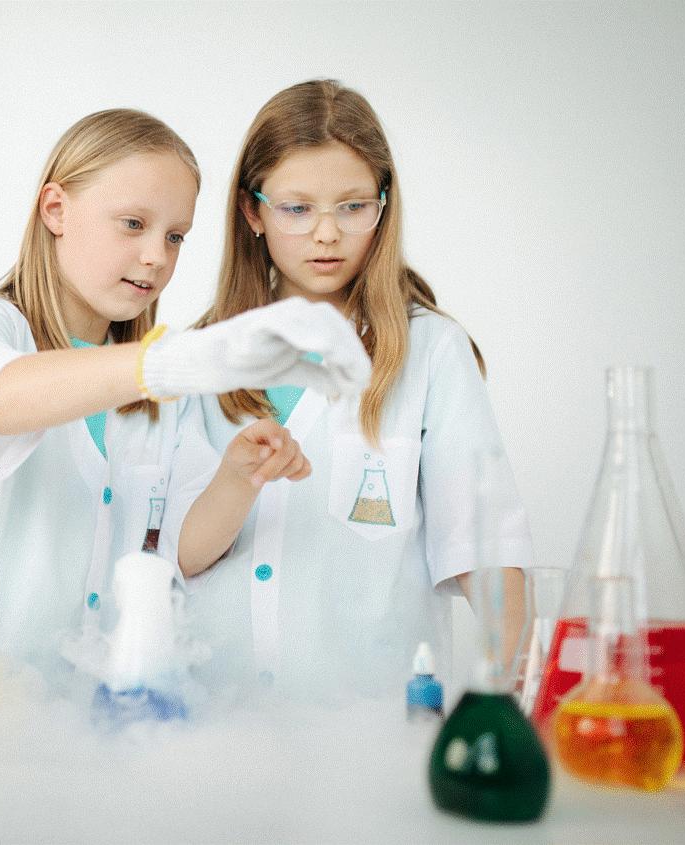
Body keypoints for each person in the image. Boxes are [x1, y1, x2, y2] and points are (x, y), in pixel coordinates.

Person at [0, 108, 370, 677]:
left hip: (101, 700)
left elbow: (180, 553)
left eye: (175, 236)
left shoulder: (159, 391)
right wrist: (164, 363)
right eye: (133, 224)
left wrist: (239, 478)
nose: (156, 257)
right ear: (56, 210)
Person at [185, 80, 531, 701]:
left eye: (352, 207)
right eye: (296, 209)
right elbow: (173, 555)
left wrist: (517, 691)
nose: (327, 234)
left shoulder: (431, 351)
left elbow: (484, 548)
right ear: (252, 212)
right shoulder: (197, 359)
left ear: (383, 206)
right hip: (214, 716)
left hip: (375, 726)